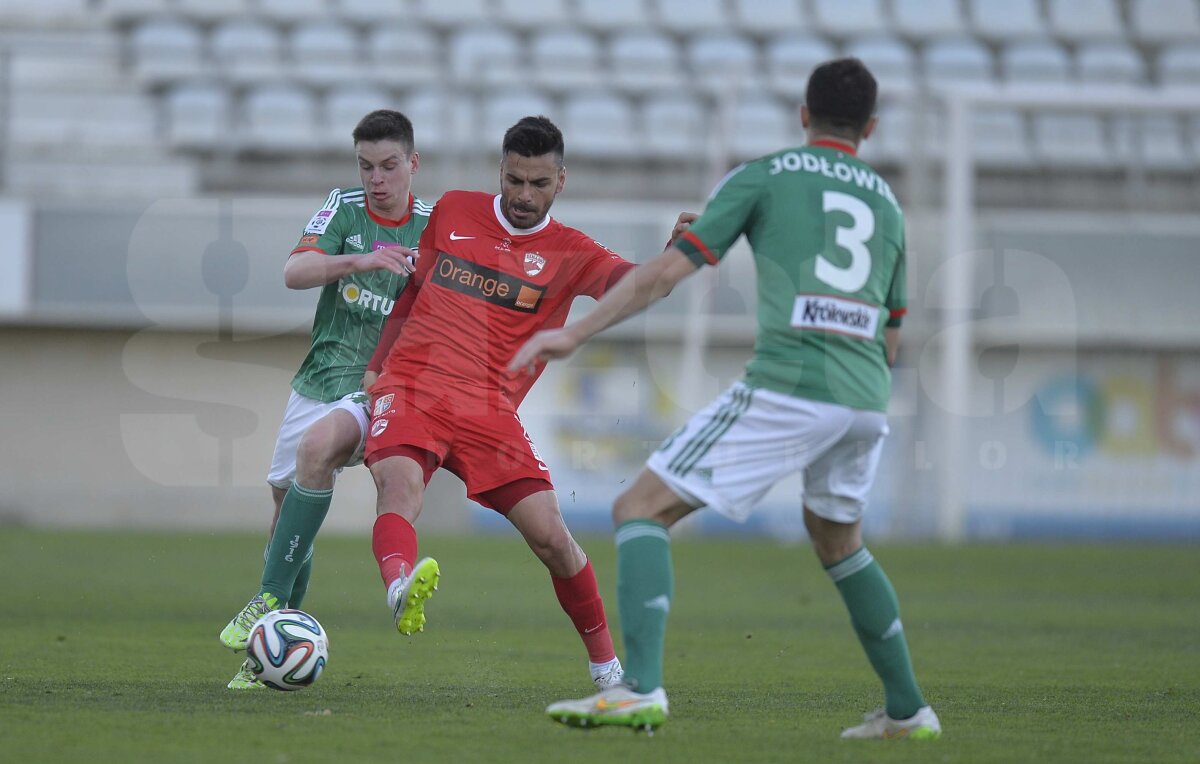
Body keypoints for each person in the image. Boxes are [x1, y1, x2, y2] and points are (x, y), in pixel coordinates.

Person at [511, 59, 941, 739]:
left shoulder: (765, 176)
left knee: (639, 507)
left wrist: (575, 333)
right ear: (871, 127)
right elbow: (892, 327)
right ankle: (908, 709)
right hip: (866, 396)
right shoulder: (886, 204)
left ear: (803, 116)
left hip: (793, 383)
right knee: (838, 540)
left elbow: (665, 276)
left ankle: (640, 690)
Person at [362, 115, 692, 690]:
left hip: (489, 411)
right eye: (514, 180)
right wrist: (376, 368)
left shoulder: (571, 251)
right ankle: (399, 587)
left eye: (538, 184)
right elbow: (414, 289)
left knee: (552, 539)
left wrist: (677, 255)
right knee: (400, 486)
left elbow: (639, 287)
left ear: (560, 181)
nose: (523, 195)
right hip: (413, 385)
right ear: (501, 171)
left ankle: (608, 670)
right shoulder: (453, 211)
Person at [217, 109, 429, 690]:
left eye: (389, 166)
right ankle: (270, 655)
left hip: (376, 384)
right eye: (366, 166)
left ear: (413, 163)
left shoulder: (434, 229)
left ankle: (266, 601)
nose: (376, 178)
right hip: (318, 376)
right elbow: (295, 271)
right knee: (285, 513)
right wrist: (361, 258)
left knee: (318, 454)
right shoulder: (345, 207)